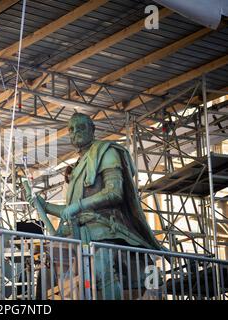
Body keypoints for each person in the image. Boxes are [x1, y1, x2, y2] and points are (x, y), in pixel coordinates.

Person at [25, 112, 162, 299]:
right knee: (51, 273)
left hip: (107, 228)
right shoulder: (78, 166)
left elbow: (114, 192)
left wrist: (78, 206)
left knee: (99, 268)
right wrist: (45, 206)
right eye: (71, 129)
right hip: (81, 233)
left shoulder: (106, 151)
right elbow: (69, 211)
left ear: (92, 130)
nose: (75, 132)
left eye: (81, 127)